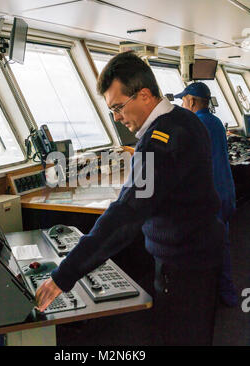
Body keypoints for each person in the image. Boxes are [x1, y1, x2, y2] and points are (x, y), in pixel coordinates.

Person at [36, 51, 225, 345]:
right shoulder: (186, 119)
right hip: (201, 251)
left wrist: (64, 275)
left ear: (145, 95)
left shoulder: (157, 143)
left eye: (119, 107)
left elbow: (126, 215)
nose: (117, 118)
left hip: (183, 265)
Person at [174, 82, 237, 307]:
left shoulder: (194, 124)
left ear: (191, 101)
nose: (182, 104)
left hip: (209, 197)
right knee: (222, 244)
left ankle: (202, 298)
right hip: (225, 192)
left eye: (183, 100)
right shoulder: (217, 122)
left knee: (201, 247)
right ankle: (227, 293)